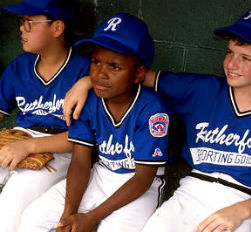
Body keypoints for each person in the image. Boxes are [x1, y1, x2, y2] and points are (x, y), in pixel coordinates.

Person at [62, 2, 251, 232]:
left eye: (245, 58)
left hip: (241, 198)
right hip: (191, 191)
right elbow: (137, 75)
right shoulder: (201, 89)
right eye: (230, 52)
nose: (232, 64)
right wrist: (86, 83)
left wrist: (241, 211)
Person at [18, 12, 170, 232]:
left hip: (139, 186)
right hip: (99, 174)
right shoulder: (89, 100)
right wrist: (69, 212)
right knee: (34, 218)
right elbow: (80, 161)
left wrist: (90, 217)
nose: (100, 74)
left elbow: (142, 179)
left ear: (138, 74)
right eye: (96, 62)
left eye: (114, 67)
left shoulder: (152, 108)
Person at [0, 0, 90, 231]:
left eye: (30, 22)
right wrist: (23, 144)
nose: (22, 28)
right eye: (22, 22)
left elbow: (81, 140)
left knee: (9, 206)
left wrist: (29, 147)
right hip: (18, 139)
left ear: (57, 28)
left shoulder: (83, 71)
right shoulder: (20, 66)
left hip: (60, 150)